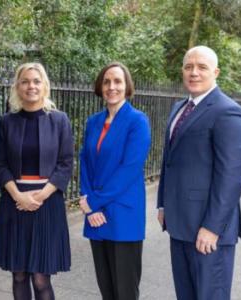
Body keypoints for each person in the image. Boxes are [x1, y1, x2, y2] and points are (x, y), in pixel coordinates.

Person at [157, 46, 241, 300]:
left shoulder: (228, 112)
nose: (193, 72)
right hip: (179, 225)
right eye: (188, 67)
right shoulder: (178, 108)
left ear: (216, 72)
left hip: (208, 232)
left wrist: (212, 227)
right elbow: (169, 162)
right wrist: (163, 204)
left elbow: (231, 178)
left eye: (202, 67)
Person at [0, 62, 73, 300]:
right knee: (18, 274)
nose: (31, 86)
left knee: (40, 277)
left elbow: (65, 163)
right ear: (17, 86)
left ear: (44, 85)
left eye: (36, 81)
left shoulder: (59, 120)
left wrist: (39, 196)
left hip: (47, 204)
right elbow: (0, 164)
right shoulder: (7, 122)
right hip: (14, 203)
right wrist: (19, 196)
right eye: (25, 81)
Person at [79, 62, 151, 300]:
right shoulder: (93, 122)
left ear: (127, 86)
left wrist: (93, 202)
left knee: (125, 290)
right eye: (107, 81)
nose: (112, 87)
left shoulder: (137, 122)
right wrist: (89, 206)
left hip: (123, 215)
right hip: (96, 215)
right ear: (100, 86)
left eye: (118, 81)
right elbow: (85, 163)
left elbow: (129, 170)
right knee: (106, 288)